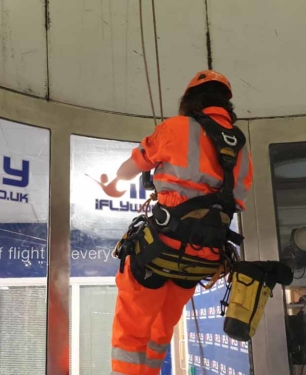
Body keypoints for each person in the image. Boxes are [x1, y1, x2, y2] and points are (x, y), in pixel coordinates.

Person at [110, 70, 253, 375]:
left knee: (131, 333)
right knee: (161, 331)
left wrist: (118, 179)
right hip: (201, 259)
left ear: (190, 100)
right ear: (225, 105)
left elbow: (130, 168)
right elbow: (237, 199)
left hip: (158, 250)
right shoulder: (241, 149)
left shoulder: (176, 128)